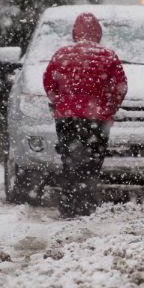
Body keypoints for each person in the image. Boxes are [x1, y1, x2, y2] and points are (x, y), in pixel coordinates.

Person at [43, 12, 127, 217]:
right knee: (92, 161)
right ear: (98, 33)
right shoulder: (108, 56)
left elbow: (49, 83)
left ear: (75, 32)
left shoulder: (61, 55)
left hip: (67, 118)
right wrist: (110, 107)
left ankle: (68, 204)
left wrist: (60, 103)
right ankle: (87, 203)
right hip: (97, 119)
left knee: (69, 159)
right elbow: (120, 87)